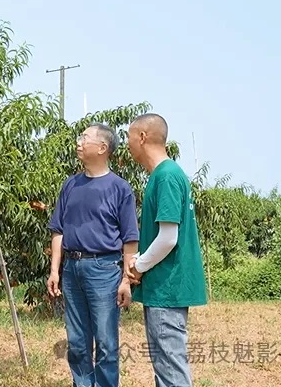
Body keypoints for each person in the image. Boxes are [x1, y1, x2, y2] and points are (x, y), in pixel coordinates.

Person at [47, 123, 139, 387]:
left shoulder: (120, 189)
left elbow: (130, 239)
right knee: (76, 341)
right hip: (72, 269)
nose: (79, 142)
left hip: (104, 269)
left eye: (84, 138)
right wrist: (55, 270)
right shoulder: (70, 185)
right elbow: (58, 231)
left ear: (102, 148)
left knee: (106, 341)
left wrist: (126, 279)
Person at [125, 113, 208, 387]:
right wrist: (139, 260)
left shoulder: (166, 177)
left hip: (166, 289)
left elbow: (168, 238)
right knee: (167, 367)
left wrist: (138, 266)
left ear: (142, 137)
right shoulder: (164, 175)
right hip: (164, 287)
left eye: (128, 136)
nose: (127, 143)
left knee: (171, 372)